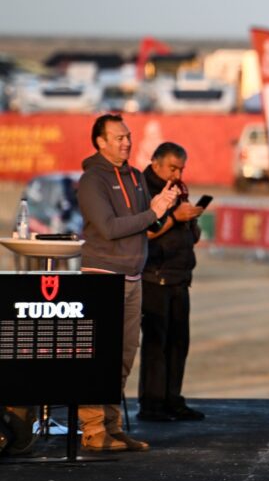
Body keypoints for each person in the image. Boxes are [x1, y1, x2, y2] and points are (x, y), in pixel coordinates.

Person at [77, 114, 180, 452]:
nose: (126, 142)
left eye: (128, 136)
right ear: (100, 142)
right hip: (103, 277)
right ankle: (93, 430)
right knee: (99, 356)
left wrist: (161, 208)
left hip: (133, 276)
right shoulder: (92, 180)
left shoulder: (135, 176)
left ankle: (112, 426)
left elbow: (146, 225)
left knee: (122, 357)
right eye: (119, 137)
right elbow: (108, 228)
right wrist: (152, 213)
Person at [138, 142, 207, 422]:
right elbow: (146, 231)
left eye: (181, 169)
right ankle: (152, 404)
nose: (177, 174)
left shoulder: (179, 189)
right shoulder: (143, 189)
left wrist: (191, 221)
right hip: (154, 275)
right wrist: (175, 217)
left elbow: (188, 234)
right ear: (155, 163)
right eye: (172, 168)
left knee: (178, 344)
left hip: (179, 276)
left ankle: (172, 400)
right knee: (156, 345)